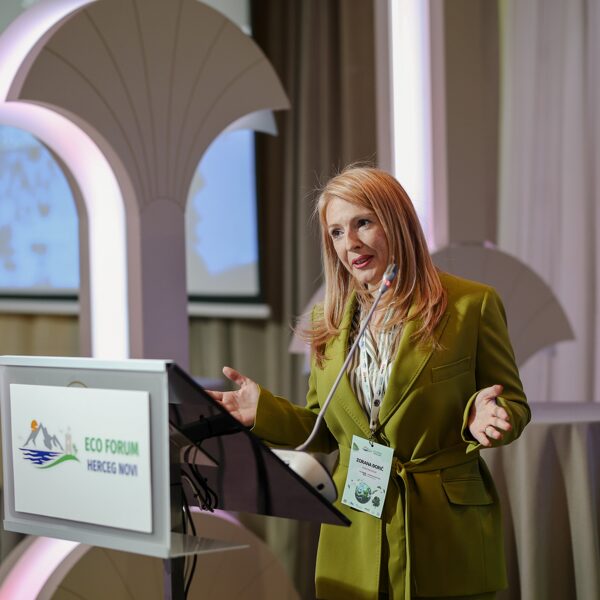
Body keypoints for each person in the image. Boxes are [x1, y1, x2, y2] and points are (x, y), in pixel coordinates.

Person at [207, 166, 529, 600]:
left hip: (444, 533)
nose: (351, 243)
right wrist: (260, 411)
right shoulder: (327, 320)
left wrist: (482, 415)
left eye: (363, 223)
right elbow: (322, 429)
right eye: (337, 232)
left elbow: (512, 404)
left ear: (398, 223)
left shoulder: (472, 305)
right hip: (356, 530)